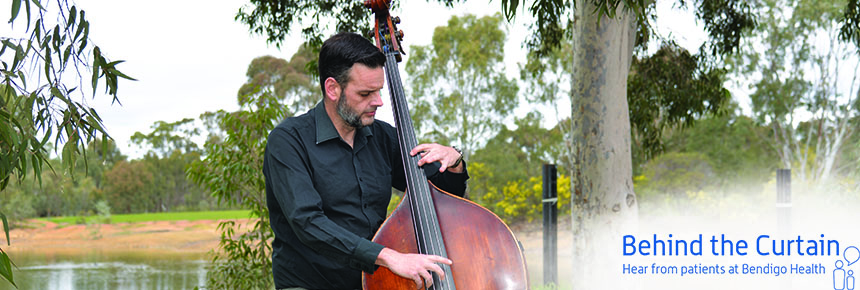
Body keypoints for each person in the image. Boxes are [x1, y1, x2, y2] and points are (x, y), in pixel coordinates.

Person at [263, 32, 469, 290]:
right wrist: (387, 256)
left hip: (375, 283)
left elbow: (443, 197)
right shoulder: (288, 141)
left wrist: (454, 160)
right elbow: (308, 223)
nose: (379, 102)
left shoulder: (384, 137)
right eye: (365, 93)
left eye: (379, 90)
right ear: (332, 89)